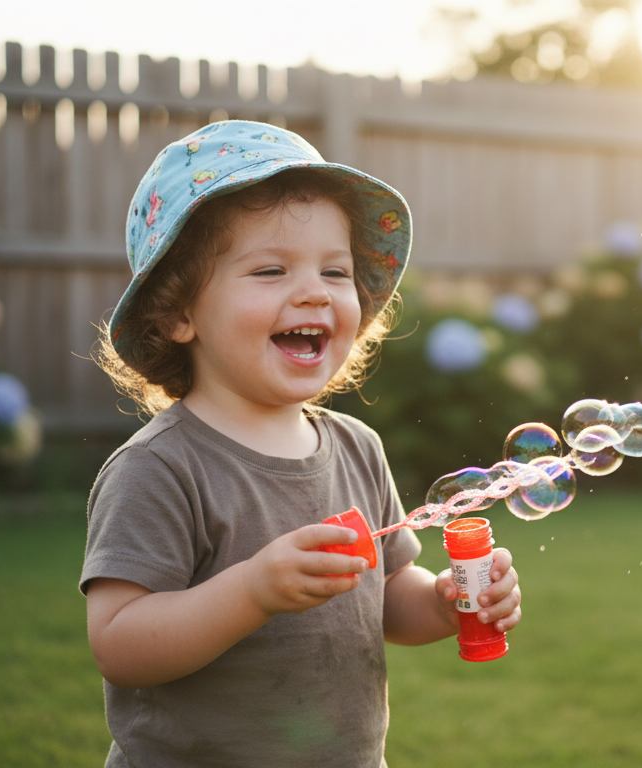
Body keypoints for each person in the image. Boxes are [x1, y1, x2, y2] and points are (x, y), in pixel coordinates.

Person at [80, 120, 521, 768]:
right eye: (270, 269)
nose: (315, 290)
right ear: (179, 313)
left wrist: (444, 602)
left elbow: (388, 593)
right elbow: (120, 644)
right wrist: (253, 591)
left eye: (335, 271)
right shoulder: (160, 468)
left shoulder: (357, 447)